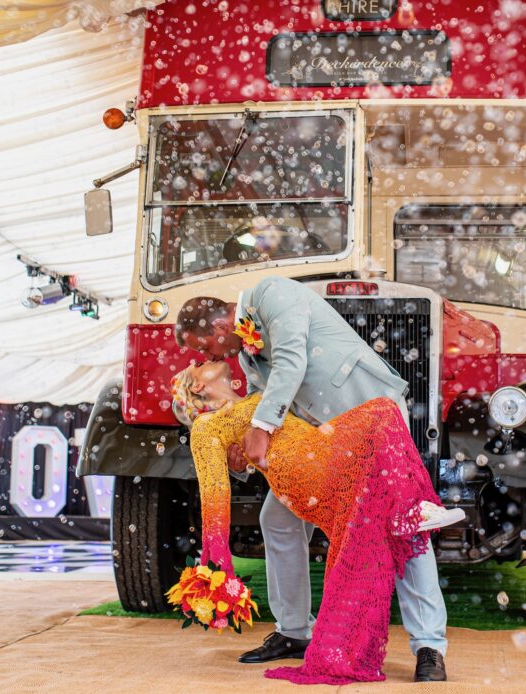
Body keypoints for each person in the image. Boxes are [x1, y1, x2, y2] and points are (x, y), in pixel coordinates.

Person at [174, 277, 450, 682]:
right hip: (321, 442)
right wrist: (241, 453)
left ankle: (429, 645)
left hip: (370, 415)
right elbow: (261, 401)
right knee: (277, 520)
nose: (204, 356)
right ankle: (293, 631)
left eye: (203, 347)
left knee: (401, 524)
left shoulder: (272, 294)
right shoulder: (248, 357)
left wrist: (261, 426)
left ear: (218, 328)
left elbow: (290, 362)